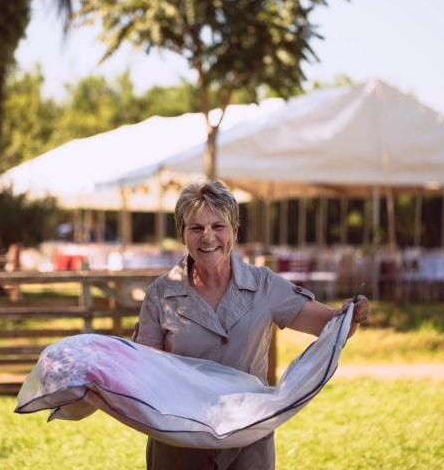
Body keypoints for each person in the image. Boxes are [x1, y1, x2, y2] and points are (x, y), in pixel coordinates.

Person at [134, 181, 370, 470]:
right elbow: (144, 370)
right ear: (182, 235)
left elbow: (330, 327)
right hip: (180, 443)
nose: (208, 237)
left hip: (248, 441)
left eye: (218, 226)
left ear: (235, 230)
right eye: (196, 228)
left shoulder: (263, 285)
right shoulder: (161, 293)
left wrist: (351, 315)